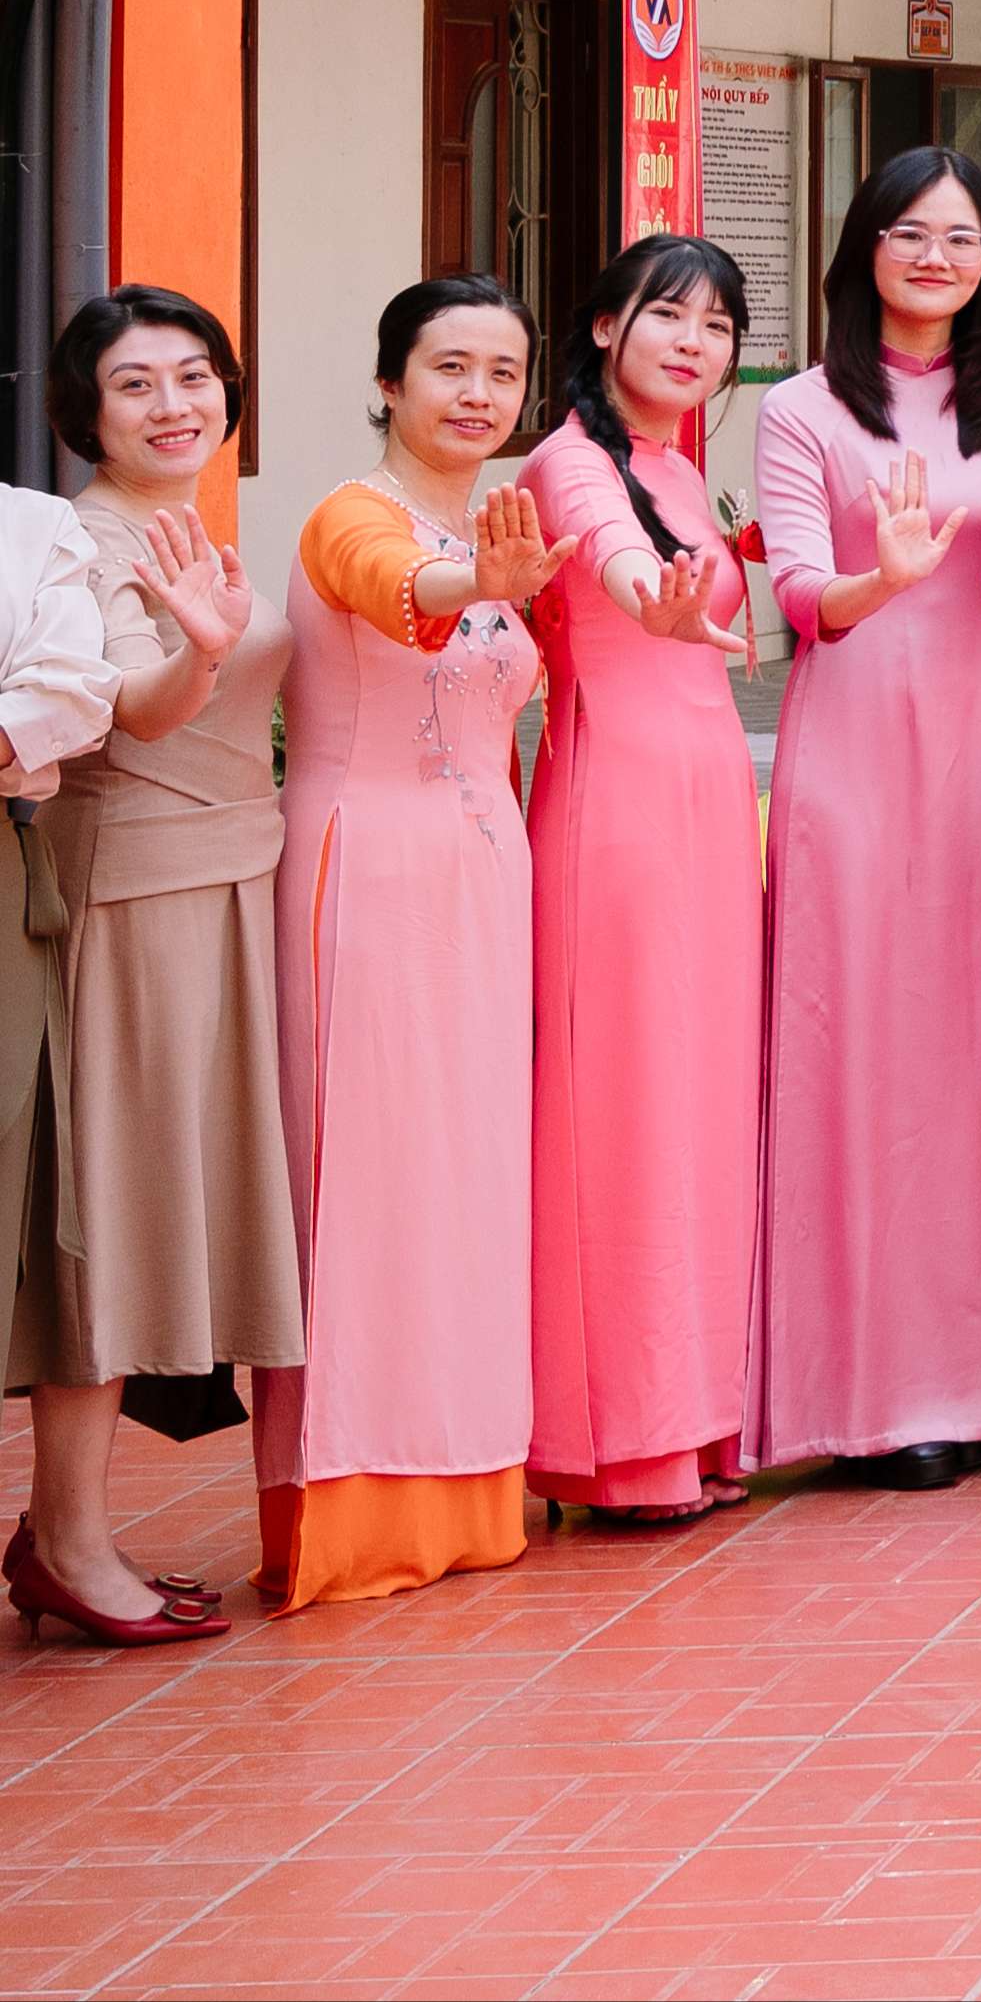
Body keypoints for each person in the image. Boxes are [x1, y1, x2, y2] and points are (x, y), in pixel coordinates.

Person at [746, 154, 981, 1488]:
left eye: (963, 238)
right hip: (856, 738)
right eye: (910, 233)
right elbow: (799, 596)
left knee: (980, 1051)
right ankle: (861, 1394)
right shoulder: (801, 405)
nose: (936, 257)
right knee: (858, 1043)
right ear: (862, 246)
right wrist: (884, 579)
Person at [270, 276, 553, 1604]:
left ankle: (469, 1489)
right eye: (449, 365)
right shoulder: (353, 514)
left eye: (502, 370)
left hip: (486, 885)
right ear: (389, 383)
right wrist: (473, 581)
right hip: (367, 875)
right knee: (370, 1180)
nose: (477, 392)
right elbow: (400, 589)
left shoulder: (499, 522)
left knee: (469, 1178)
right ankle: (351, 1508)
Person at [26, 296, 288, 1637]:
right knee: (115, 1221)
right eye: (136, 384)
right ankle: (66, 1543)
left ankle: (63, 1533)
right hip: (138, 897)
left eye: (195, 375)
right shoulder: (82, 538)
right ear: (86, 409)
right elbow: (133, 710)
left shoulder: (182, 525)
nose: (174, 404)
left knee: (155, 1208)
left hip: (226, 882)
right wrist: (201, 646)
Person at [514, 234, 765, 1525]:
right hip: (614, 808)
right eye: (669, 315)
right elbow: (610, 554)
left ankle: (698, 1418)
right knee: (630, 1105)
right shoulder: (570, 460)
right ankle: (626, 1439)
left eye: (717, 326)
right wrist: (647, 597)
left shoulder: (676, 464)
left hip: (708, 805)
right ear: (607, 325)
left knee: (704, 1102)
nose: (693, 342)